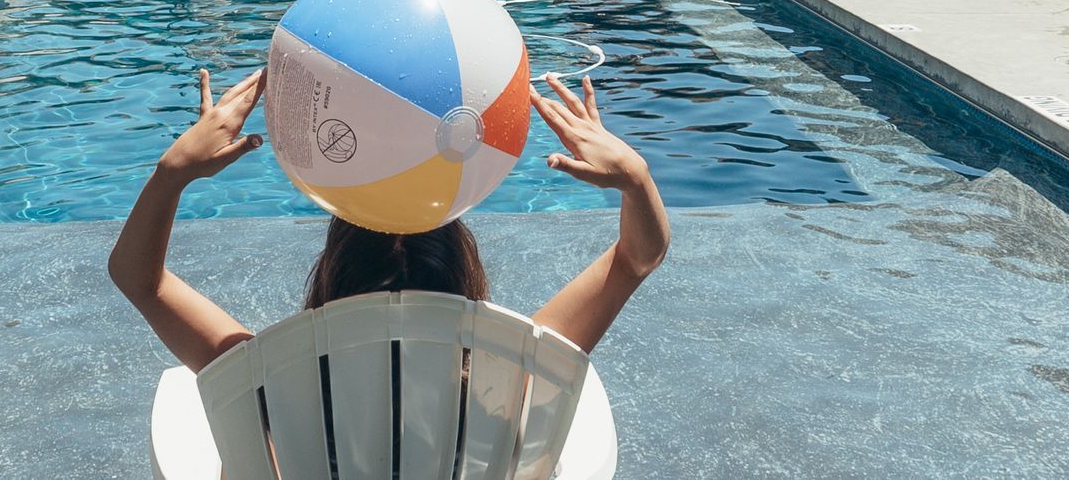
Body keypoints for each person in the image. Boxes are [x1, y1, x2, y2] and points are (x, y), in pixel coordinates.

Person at [109, 67, 670, 372]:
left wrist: (172, 172)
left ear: (330, 278)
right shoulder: (515, 374)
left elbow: (139, 278)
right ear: (462, 284)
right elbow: (636, 258)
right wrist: (635, 176)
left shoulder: (265, 377)